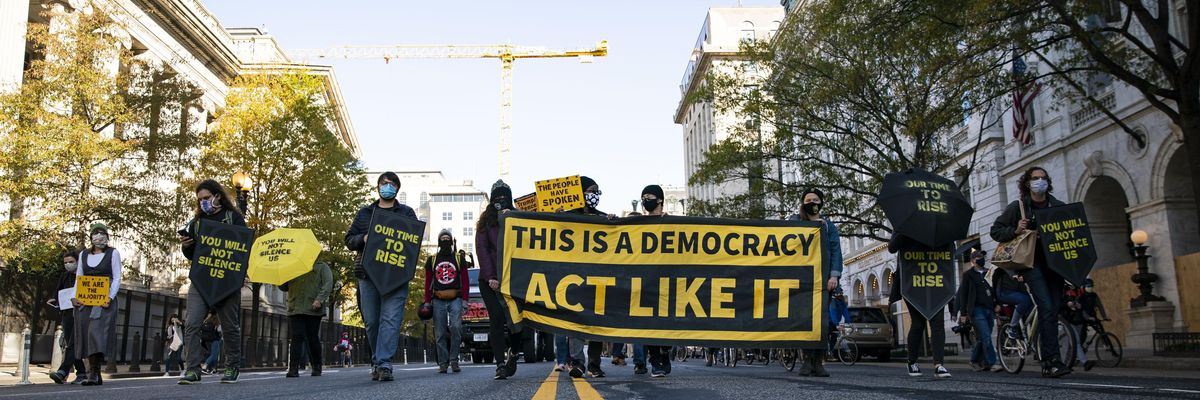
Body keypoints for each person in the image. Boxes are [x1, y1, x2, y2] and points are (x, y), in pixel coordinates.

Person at [990, 166, 1071, 378]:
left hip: (1055, 265)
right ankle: (1050, 361)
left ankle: (1050, 357)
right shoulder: (1018, 207)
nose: (1040, 182)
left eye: (1043, 178)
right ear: (1027, 183)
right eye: (1035, 178)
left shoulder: (1058, 206)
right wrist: (1015, 230)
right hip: (1031, 265)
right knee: (1045, 306)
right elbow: (996, 231)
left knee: (1052, 309)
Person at [345, 172, 418, 382]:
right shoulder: (365, 213)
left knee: (391, 320)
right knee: (372, 322)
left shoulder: (407, 213)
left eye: (392, 184)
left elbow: (413, 241)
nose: (388, 186)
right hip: (367, 275)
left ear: (397, 189)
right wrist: (364, 238)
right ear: (378, 187)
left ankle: (384, 364)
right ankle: (377, 361)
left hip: (396, 276)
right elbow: (348, 240)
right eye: (384, 183)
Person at [178, 179, 247, 384]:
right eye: (200, 200)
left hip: (226, 280)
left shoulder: (233, 217)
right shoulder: (196, 223)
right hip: (201, 280)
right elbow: (194, 255)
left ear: (218, 196)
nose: (203, 203)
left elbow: (243, 246)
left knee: (229, 326)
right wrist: (187, 245)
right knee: (191, 324)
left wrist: (239, 274)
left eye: (206, 198)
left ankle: (232, 366)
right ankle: (192, 369)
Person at [787, 189, 842, 378]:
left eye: (816, 200)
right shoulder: (795, 222)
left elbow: (836, 251)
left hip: (823, 281)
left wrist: (834, 276)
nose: (812, 202)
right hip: (802, 282)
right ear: (803, 203)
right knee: (804, 321)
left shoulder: (829, 227)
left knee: (822, 323)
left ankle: (818, 361)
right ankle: (807, 360)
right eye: (808, 200)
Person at [564, 176, 615, 379]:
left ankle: (594, 364)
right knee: (576, 321)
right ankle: (577, 362)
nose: (594, 195)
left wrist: (614, 224)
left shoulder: (602, 217)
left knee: (596, 323)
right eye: (591, 191)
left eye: (597, 191)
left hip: (598, 280)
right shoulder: (567, 217)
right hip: (574, 279)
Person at [476, 180, 522, 380]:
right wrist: (491, 276)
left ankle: (514, 351)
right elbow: (482, 250)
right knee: (496, 319)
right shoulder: (485, 222)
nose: (500, 200)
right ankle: (500, 364)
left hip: (514, 279)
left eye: (504, 197)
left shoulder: (518, 217)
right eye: (497, 197)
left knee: (517, 321)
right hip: (491, 281)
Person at [888, 233, 951, 379]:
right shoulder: (905, 225)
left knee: (937, 322)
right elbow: (892, 247)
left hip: (934, 278)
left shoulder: (939, 225)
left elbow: (949, 248)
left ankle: (939, 364)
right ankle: (912, 361)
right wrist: (905, 231)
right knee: (918, 324)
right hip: (912, 281)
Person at [72, 222, 122, 386]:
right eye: (95, 233)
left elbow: (117, 277)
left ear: (107, 237)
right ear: (91, 237)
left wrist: (110, 296)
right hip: (85, 300)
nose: (99, 236)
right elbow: (79, 277)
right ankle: (93, 372)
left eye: (102, 233)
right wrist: (74, 296)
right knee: (86, 333)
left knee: (96, 332)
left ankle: (94, 371)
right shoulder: (84, 255)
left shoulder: (113, 253)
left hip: (103, 301)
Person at [634, 184, 675, 378]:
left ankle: (665, 350)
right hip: (644, 282)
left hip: (666, 280)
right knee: (647, 323)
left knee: (666, 321)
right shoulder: (636, 222)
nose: (645, 199)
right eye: (643, 196)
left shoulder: (671, 223)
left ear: (659, 200)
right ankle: (655, 361)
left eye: (649, 196)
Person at [423, 229, 470, 374]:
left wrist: (465, 300)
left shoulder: (458, 258)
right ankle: (443, 363)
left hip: (456, 298)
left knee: (456, 327)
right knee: (440, 333)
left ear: (451, 240)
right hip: (437, 300)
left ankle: (454, 360)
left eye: (447, 238)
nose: (445, 240)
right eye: (442, 238)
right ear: (439, 241)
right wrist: (427, 301)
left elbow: (466, 280)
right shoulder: (432, 259)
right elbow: (427, 282)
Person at [281, 261, 333, 378]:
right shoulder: (292, 266)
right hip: (295, 308)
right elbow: (284, 287)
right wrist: (281, 275)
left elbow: (328, 284)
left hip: (313, 308)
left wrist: (319, 299)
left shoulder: (322, 267)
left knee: (312, 337)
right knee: (296, 336)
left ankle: (316, 366)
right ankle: (293, 368)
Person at [958, 250, 1001, 372]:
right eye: (978, 257)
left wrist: (997, 303)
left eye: (982, 256)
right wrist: (963, 313)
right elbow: (964, 294)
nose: (981, 258)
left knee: (982, 337)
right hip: (976, 309)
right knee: (986, 336)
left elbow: (995, 289)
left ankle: (975, 360)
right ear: (973, 261)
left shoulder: (989, 273)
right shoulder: (968, 275)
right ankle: (993, 362)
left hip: (989, 308)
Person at [48, 250, 86, 384]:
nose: (68, 265)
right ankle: (81, 373)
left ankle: (63, 371)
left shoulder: (84, 276)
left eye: (71, 262)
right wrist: (54, 300)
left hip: (81, 313)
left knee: (73, 343)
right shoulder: (64, 276)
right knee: (71, 343)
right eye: (65, 263)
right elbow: (58, 291)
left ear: (77, 261)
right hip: (67, 314)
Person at [991, 266, 1032, 340]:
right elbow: (994, 287)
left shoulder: (1021, 269)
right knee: (1025, 300)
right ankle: (1012, 327)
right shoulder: (999, 271)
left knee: (1029, 307)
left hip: (1019, 294)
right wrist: (997, 303)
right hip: (1005, 294)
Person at [828, 286, 850, 358]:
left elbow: (845, 311)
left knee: (834, 337)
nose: (841, 296)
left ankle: (830, 351)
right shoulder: (833, 302)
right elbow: (833, 313)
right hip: (828, 321)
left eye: (841, 294)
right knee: (826, 336)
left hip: (835, 322)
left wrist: (848, 322)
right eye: (839, 295)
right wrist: (837, 324)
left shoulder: (842, 302)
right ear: (836, 295)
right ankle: (825, 350)